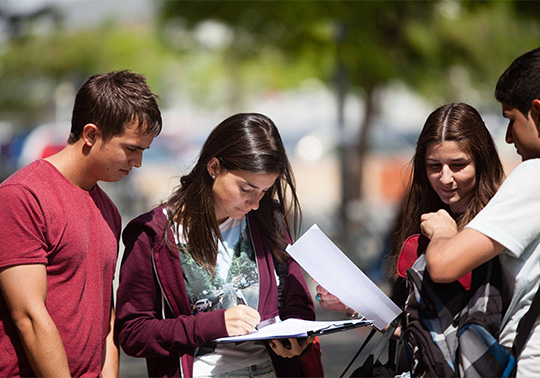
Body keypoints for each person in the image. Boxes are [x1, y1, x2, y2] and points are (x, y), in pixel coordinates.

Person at [115, 113, 322, 378]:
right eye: (246, 188)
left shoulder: (268, 221)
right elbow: (134, 333)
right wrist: (214, 324)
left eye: (264, 192)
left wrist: (296, 336)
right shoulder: (153, 236)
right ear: (214, 168)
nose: (255, 203)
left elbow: (297, 300)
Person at [0, 70, 162, 377]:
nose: (137, 162)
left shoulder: (109, 210)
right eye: (131, 149)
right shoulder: (22, 196)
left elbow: (107, 315)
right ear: (90, 134)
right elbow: (29, 316)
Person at [315, 102, 505, 317]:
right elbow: (408, 324)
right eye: (434, 165)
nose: (445, 178)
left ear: (482, 162)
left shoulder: (497, 221)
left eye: (458, 165)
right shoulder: (422, 216)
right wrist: (355, 304)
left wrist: (444, 236)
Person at [421, 48, 540, 377]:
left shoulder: (535, 175)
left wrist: (445, 233)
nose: (508, 136)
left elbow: (444, 264)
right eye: (434, 166)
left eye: (510, 120)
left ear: (538, 112)